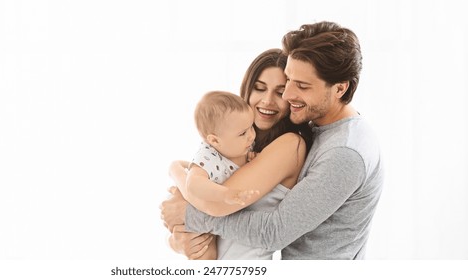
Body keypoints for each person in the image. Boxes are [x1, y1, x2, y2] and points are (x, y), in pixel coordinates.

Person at [161, 21, 384, 259]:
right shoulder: (314, 126)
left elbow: (273, 232)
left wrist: (189, 215)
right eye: (288, 81)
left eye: (301, 85)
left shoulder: (344, 152)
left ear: (340, 89)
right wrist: (179, 239)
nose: (287, 95)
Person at [164, 49, 313, 260]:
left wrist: (177, 175)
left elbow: (215, 204)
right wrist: (176, 242)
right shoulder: (235, 142)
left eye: (279, 93)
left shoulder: (291, 144)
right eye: (259, 88)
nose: (267, 100)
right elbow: (205, 180)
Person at [167, 90, 258, 260]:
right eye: (243, 133)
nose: (251, 135)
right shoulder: (207, 156)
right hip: (194, 215)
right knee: (205, 252)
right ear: (215, 140)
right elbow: (193, 184)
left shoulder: (239, 145)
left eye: (251, 127)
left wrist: (251, 157)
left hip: (211, 218)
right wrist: (225, 193)